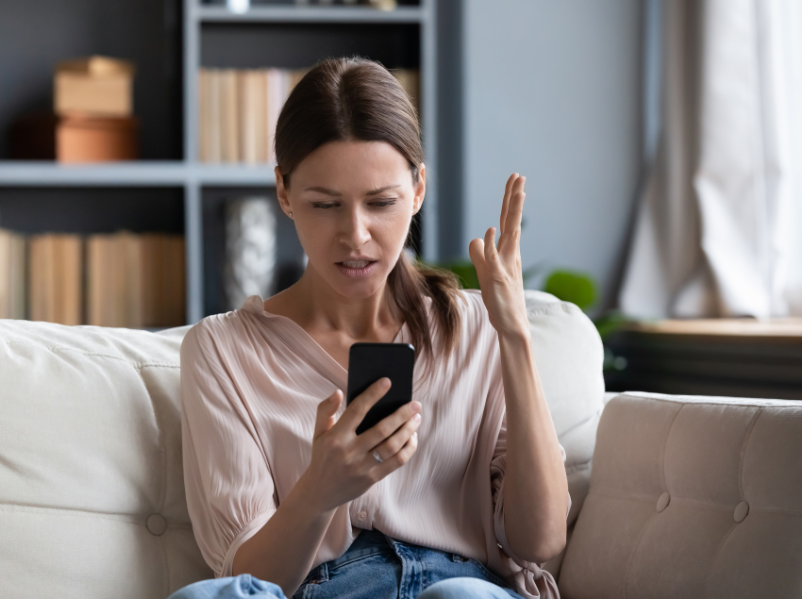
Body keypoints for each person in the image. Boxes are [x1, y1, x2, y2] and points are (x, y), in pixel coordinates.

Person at [174, 57, 571, 599]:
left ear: (417, 190)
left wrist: (516, 338)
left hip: (457, 585)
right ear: (285, 193)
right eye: (325, 204)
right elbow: (246, 579)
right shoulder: (222, 350)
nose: (355, 235)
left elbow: (540, 539)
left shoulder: (478, 328)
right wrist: (319, 491)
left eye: (381, 203)